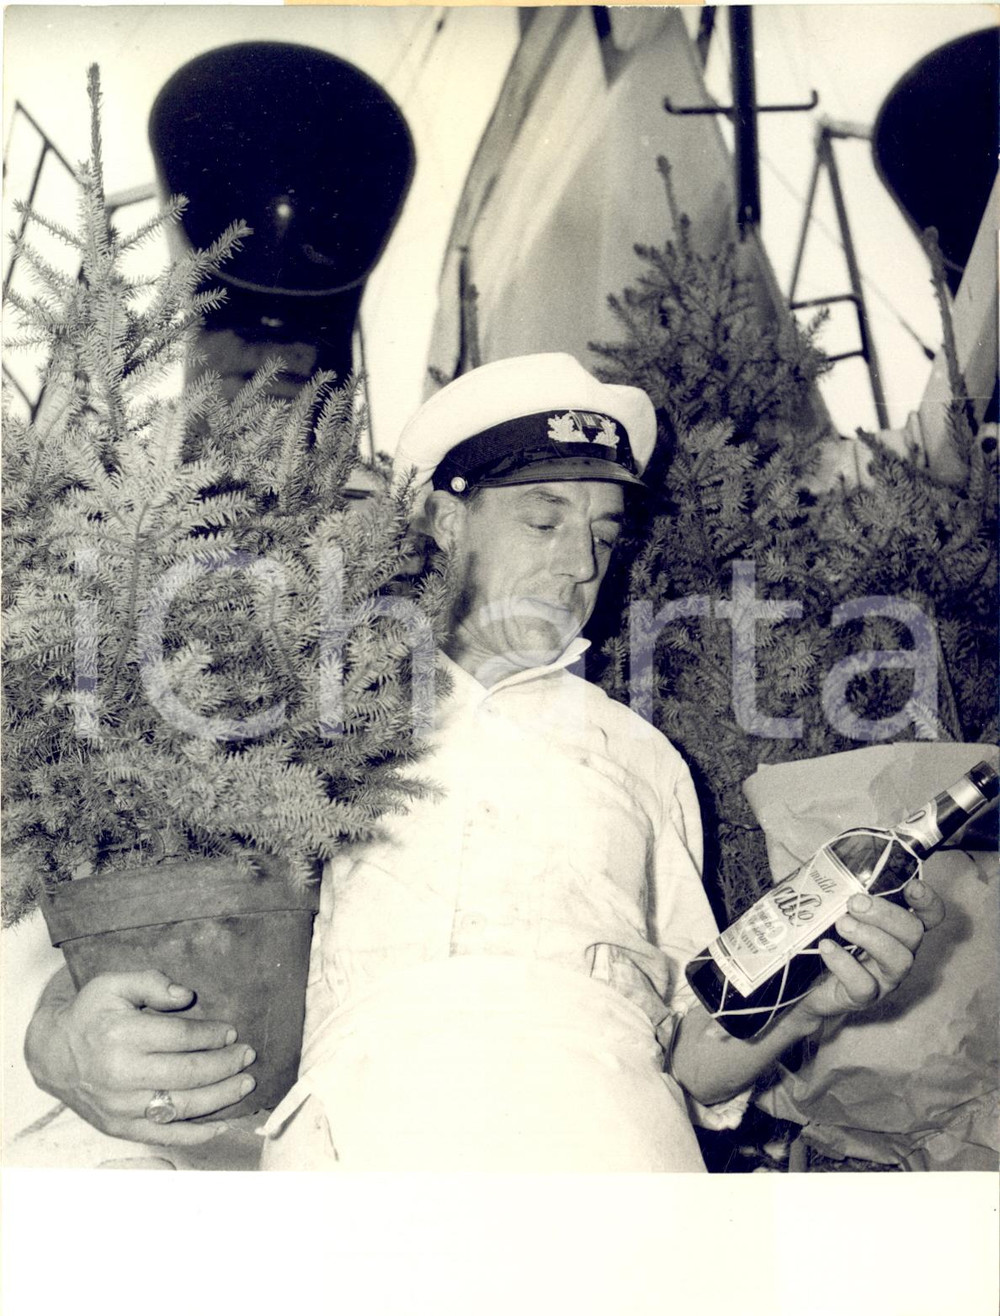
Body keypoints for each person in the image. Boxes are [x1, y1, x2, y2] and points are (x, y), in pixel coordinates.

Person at [23, 353, 945, 1170]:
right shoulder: (304, 703)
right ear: (439, 518)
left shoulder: (642, 756)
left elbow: (695, 1055)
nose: (582, 564)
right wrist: (57, 1038)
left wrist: (812, 1000)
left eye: (605, 532)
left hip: (612, 1148)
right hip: (368, 1145)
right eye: (544, 523)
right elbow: (151, 917)